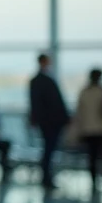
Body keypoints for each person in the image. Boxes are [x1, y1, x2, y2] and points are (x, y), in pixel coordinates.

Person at [30, 53, 70, 189]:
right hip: (50, 121)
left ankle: (47, 176)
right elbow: (42, 103)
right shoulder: (42, 80)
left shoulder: (40, 80)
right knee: (49, 149)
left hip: (49, 121)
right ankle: (46, 177)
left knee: (49, 149)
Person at [77, 69, 102, 190]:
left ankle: (94, 181)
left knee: (92, 156)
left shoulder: (84, 92)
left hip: (88, 129)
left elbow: (80, 112)